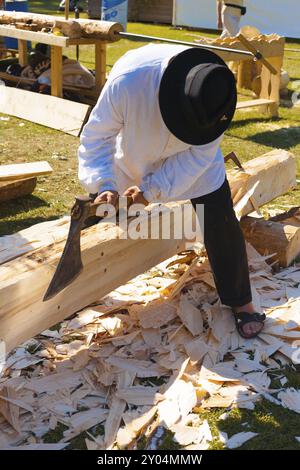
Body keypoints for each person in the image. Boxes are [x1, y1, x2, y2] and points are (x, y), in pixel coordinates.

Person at [78, 44, 266, 339]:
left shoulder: (217, 92)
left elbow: (199, 157)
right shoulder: (128, 82)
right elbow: (96, 137)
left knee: (220, 220)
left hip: (193, 166)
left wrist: (151, 191)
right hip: (131, 155)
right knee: (98, 214)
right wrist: (104, 184)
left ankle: (241, 301)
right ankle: (76, 293)